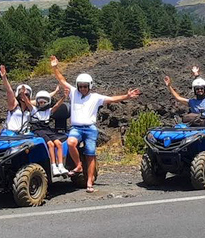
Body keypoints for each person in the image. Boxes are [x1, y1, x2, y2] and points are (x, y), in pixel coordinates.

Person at [51, 55, 141, 193]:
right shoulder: (73, 93)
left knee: (90, 154)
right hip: (76, 128)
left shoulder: (96, 97)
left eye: (85, 86)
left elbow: (112, 99)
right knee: (70, 143)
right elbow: (62, 80)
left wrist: (127, 96)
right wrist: (55, 67)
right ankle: (79, 166)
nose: (82, 88)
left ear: (90, 86)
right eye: (80, 86)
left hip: (90, 129)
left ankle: (89, 182)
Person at [30, 89, 68, 177]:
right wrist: (23, 95)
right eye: (40, 102)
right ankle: (53, 166)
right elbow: (27, 102)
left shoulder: (49, 111)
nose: (42, 104)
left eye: (44, 102)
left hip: (47, 129)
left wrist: (64, 97)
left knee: (58, 144)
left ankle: (61, 165)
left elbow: (57, 105)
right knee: (50, 144)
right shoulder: (34, 110)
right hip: (38, 129)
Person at [0, 65, 36, 134]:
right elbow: (9, 91)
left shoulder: (30, 108)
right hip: (9, 133)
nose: (23, 96)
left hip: (23, 134)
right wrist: (4, 77)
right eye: (21, 94)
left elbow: (42, 100)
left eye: (26, 95)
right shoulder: (13, 105)